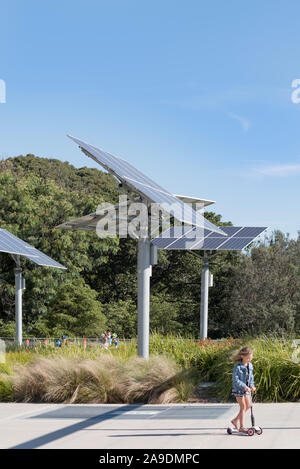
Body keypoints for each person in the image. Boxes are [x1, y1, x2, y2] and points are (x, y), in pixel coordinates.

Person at [230, 346, 256, 433]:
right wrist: (244, 386)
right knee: (243, 406)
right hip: (239, 389)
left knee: (248, 406)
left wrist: (252, 386)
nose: (249, 360)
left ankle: (235, 420)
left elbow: (251, 378)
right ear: (242, 356)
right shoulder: (237, 367)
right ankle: (242, 427)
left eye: (250, 358)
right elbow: (235, 380)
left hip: (247, 389)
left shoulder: (250, 366)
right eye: (248, 358)